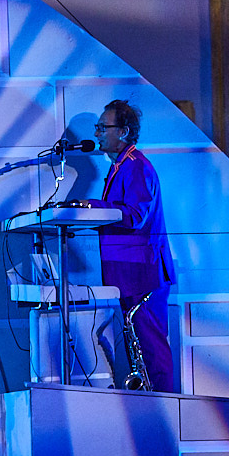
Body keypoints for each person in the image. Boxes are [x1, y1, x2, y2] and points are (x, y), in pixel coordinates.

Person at [83, 99, 176, 393]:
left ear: (123, 132)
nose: (97, 134)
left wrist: (92, 207)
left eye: (102, 127)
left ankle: (165, 412)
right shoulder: (121, 166)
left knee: (152, 351)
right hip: (129, 273)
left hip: (142, 275)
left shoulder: (136, 167)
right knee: (140, 352)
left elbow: (136, 215)